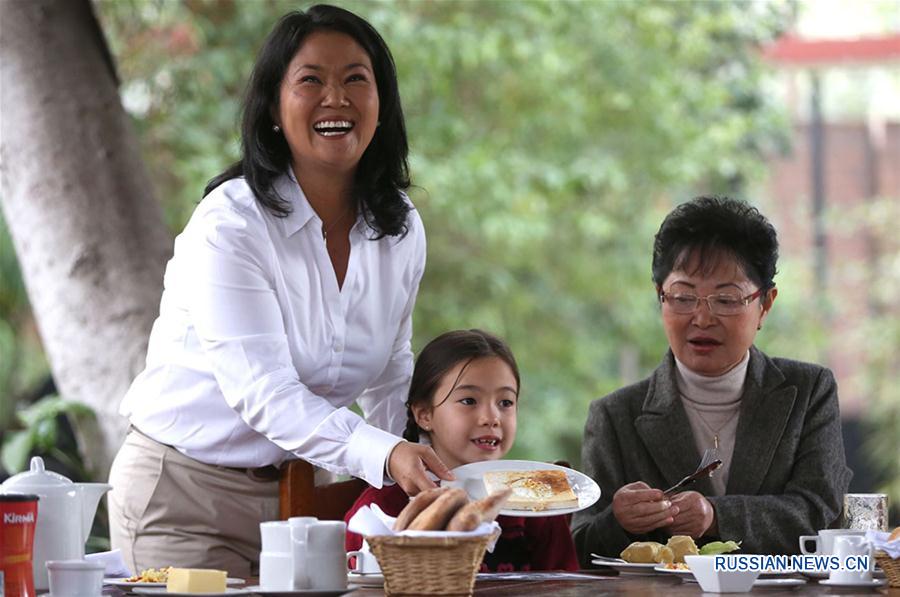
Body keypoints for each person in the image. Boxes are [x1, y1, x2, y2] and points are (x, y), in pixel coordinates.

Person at [108, 5, 452, 577]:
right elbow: (263, 391)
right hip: (184, 501)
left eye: (355, 80)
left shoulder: (400, 225)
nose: (335, 98)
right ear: (273, 107)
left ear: (382, 105)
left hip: (304, 504)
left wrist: (410, 480)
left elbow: (393, 367)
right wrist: (383, 455)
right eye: (311, 80)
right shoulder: (230, 224)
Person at [572, 196, 852, 563]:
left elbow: (821, 513)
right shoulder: (614, 416)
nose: (702, 318)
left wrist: (717, 516)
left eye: (726, 299)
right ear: (661, 297)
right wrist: (620, 522)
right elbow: (579, 548)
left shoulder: (808, 392)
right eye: (684, 297)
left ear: (765, 304)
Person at [344, 329, 579, 572]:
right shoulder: (382, 507)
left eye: (505, 403)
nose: (492, 418)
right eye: (469, 401)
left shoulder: (538, 502)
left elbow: (566, 584)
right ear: (424, 414)